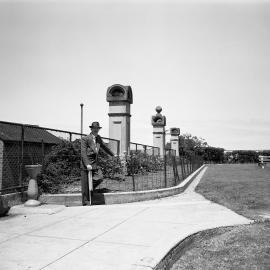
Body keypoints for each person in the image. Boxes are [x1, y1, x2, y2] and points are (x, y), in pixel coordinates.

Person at [81, 121, 114, 205]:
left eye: (97, 128)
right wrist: (87, 164)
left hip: (95, 163)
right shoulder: (85, 139)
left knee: (100, 177)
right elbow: (83, 153)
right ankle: (86, 202)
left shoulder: (98, 138)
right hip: (87, 163)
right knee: (85, 184)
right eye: (94, 128)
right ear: (91, 129)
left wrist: (113, 155)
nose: (96, 130)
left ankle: (90, 187)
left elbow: (104, 147)